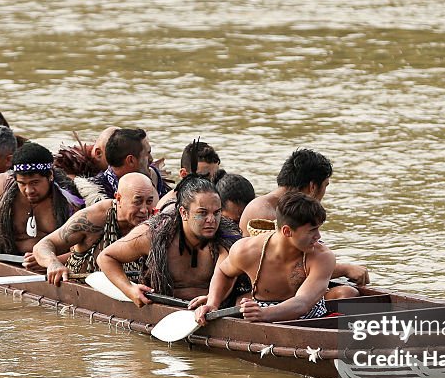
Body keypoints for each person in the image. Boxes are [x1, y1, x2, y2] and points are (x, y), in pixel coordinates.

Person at [195, 191, 355, 325]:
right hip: (262, 319)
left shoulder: (323, 257)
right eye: (312, 230)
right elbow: (224, 272)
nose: (318, 236)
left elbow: (303, 303)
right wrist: (213, 303)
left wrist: (263, 314)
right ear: (287, 231)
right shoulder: (246, 250)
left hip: (311, 317)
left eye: (318, 229)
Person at [239, 148, 369, 288]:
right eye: (325, 185)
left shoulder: (290, 209)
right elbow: (290, 266)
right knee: (347, 294)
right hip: (267, 291)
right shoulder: (265, 211)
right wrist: (345, 269)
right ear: (312, 186)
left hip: (290, 287)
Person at [97, 176, 229, 305]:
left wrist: (213, 300)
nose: (211, 220)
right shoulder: (153, 234)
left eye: (216, 213)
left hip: (211, 309)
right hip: (164, 309)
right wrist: (130, 289)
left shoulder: (227, 241)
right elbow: (106, 257)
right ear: (183, 213)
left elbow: (235, 277)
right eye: (202, 213)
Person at [33, 172, 158, 285]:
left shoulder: (155, 221)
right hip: (82, 286)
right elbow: (43, 244)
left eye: (149, 202)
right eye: (137, 201)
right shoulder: (94, 218)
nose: (144, 210)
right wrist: (53, 263)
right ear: (118, 199)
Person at [0, 142, 83, 268]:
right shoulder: (1, 185)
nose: (29, 190)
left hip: (51, 263)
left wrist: (51, 260)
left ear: (50, 176)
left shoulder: (70, 200)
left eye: (35, 182)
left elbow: (84, 246)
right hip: (8, 255)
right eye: (22, 183)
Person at [80, 128, 170, 204]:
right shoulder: (96, 194)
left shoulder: (156, 181)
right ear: (130, 160)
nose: (151, 159)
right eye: (148, 154)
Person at [156, 139, 224, 212]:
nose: (212, 184)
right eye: (204, 178)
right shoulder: (170, 209)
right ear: (184, 174)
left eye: (216, 177)